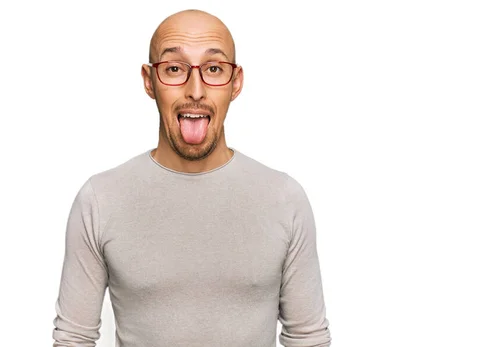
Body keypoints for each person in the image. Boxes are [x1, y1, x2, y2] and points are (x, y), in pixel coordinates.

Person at [52, 9, 331, 347]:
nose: (195, 90)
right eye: (174, 69)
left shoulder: (284, 198)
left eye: (214, 69)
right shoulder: (100, 199)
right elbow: (73, 339)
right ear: (148, 81)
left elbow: (308, 338)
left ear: (236, 82)